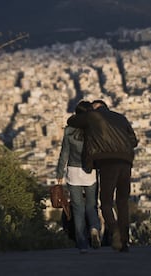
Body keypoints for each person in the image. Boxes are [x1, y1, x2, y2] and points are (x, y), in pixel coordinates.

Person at [67, 99, 138, 252]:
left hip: (108, 162)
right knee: (123, 202)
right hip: (126, 161)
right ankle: (124, 241)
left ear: (95, 108)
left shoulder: (93, 116)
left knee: (105, 202)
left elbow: (71, 120)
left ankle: (115, 231)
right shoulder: (121, 117)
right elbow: (134, 140)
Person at [56, 101, 101, 254]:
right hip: (90, 171)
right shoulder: (94, 129)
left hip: (73, 172)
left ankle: (82, 244)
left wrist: (59, 174)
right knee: (91, 205)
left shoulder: (69, 130)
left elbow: (64, 153)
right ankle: (94, 228)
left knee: (78, 209)